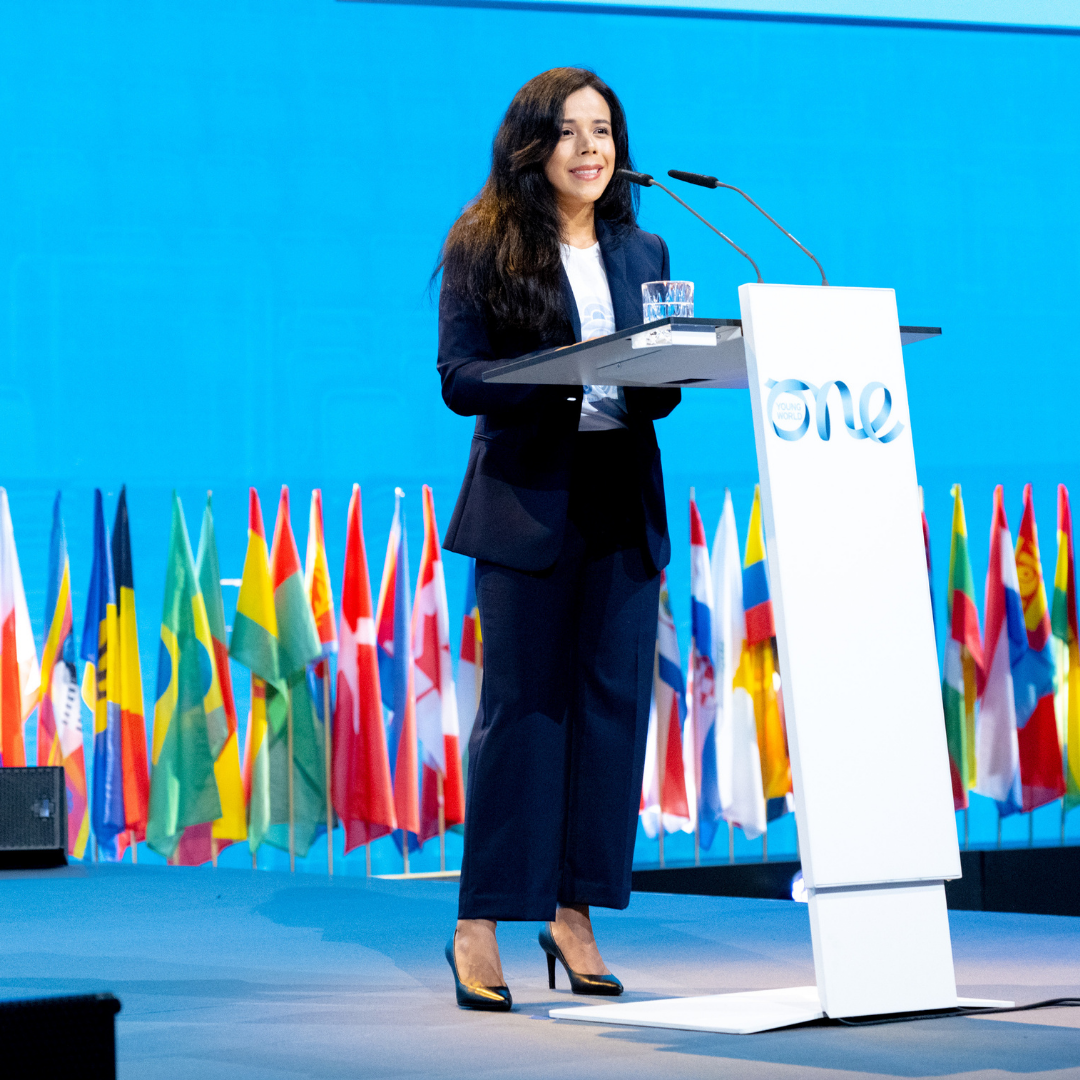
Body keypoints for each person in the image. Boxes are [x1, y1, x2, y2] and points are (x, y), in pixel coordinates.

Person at [435, 67, 681, 1011]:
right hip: (529, 499)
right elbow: (460, 377)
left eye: (605, 132)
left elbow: (652, 391)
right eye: (572, 132)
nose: (592, 149)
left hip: (622, 496)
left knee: (612, 713)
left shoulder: (642, 246)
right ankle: (480, 923)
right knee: (525, 713)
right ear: (532, 145)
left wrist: (674, 363)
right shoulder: (485, 244)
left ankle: (575, 914)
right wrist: (560, 373)